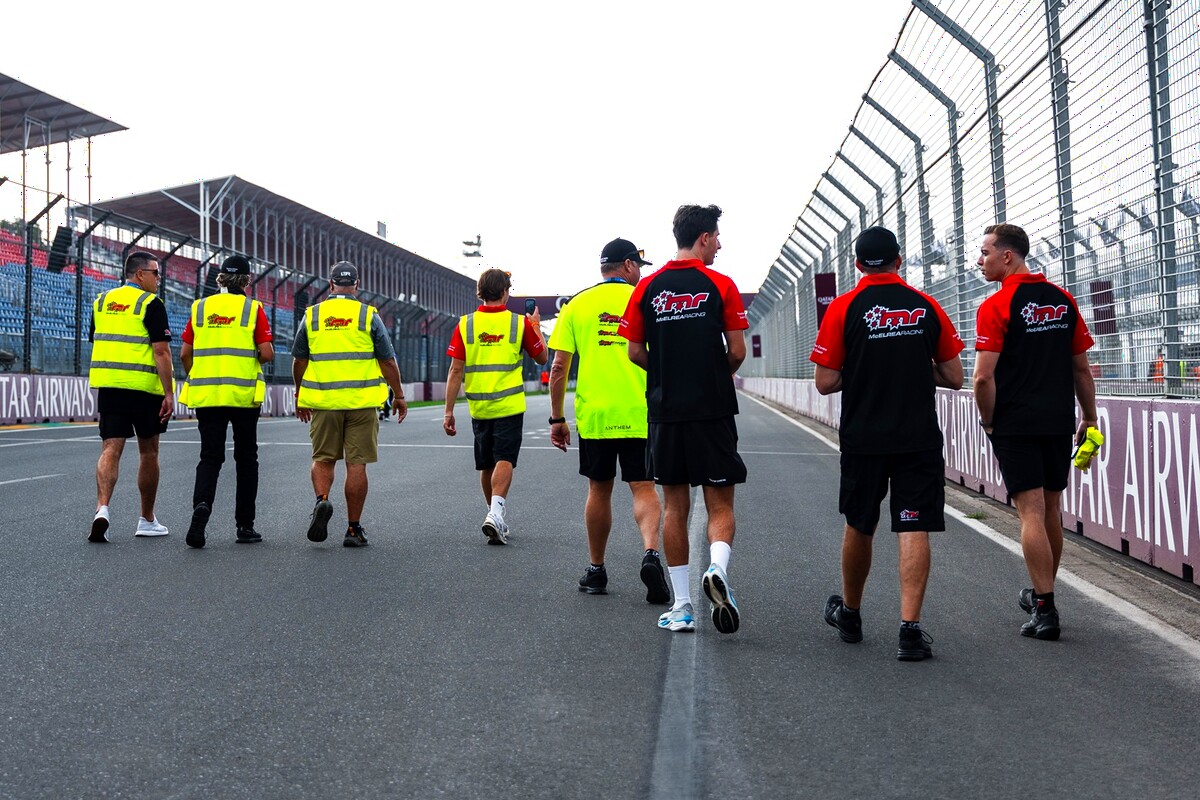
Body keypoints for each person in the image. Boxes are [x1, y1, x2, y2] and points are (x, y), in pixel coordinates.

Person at [810, 226, 964, 661]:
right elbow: (954, 376)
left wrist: (861, 371)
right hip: (917, 437)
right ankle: (910, 631)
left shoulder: (843, 308)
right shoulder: (925, 305)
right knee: (913, 525)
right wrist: (915, 368)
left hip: (864, 438)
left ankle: (852, 614)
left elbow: (824, 382)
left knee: (861, 523)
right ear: (898, 260)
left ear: (857, 264)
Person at [619, 204, 748, 634]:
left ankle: (684, 605)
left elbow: (634, 351)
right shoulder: (721, 284)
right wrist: (710, 375)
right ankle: (718, 570)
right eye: (717, 237)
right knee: (721, 503)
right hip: (712, 409)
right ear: (705, 237)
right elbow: (737, 352)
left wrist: (668, 373)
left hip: (666, 411)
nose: (720, 245)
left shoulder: (647, 288)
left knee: (674, 505)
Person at [973, 223, 1097, 641]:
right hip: (1058, 419)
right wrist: (1090, 417)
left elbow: (981, 379)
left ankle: (1045, 608)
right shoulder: (1063, 300)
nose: (980, 260)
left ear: (1008, 256)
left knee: (1029, 512)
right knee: (1051, 510)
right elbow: (1081, 368)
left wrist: (989, 421)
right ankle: (1044, 594)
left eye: (986, 252)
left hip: (1016, 421)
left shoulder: (996, 305)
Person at [548, 238, 667, 603]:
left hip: (596, 415)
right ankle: (650, 553)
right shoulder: (645, 299)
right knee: (644, 488)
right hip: (639, 412)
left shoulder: (577, 305)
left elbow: (557, 368)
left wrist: (557, 418)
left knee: (599, 490)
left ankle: (596, 570)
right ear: (628, 265)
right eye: (637, 268)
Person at [292, 261, 408, 547]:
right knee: (357, 464)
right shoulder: (368, 315)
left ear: (330, 285)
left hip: (324, 401)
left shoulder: (312, 315)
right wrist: (399, 395)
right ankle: (354, 529)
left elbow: (299, 360)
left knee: (323, 458)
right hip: (361, 402)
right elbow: (387, 361)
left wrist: (299, 394)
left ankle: (322, 501)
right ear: (357, 285)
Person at [443, 268, 547, 544]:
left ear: (480, 292)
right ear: (505, 292)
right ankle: (496, 514)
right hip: (509, 405)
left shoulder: (464, 324)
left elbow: (455, 371)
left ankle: (495, 515)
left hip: (479, 407)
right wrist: (535, 326)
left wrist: (449, 411)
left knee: (486, 464)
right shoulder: (519, 324)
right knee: (505, 458)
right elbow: (542, 358)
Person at [179, 255, 275, 548]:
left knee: (210, 457)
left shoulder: (200, 307)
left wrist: (200, 373)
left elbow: (184, 352)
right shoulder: (252, 309)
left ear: (219, 278)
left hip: (208, 395)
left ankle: (202, 506)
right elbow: (267, 352)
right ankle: (245, 526)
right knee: (246, 458)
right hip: (243, 395)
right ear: (247, 280)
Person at [87, 251, 175, 543]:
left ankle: (102, 509)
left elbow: (98, 340)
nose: (159, 279)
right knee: (148, 452)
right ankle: (146, 520)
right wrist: (169, 392)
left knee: (110, 449)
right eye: (156, 273)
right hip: (143, 388)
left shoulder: (101, 302)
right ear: (140, 274)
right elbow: (161, 351)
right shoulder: (151, 303)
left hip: (111, 386)